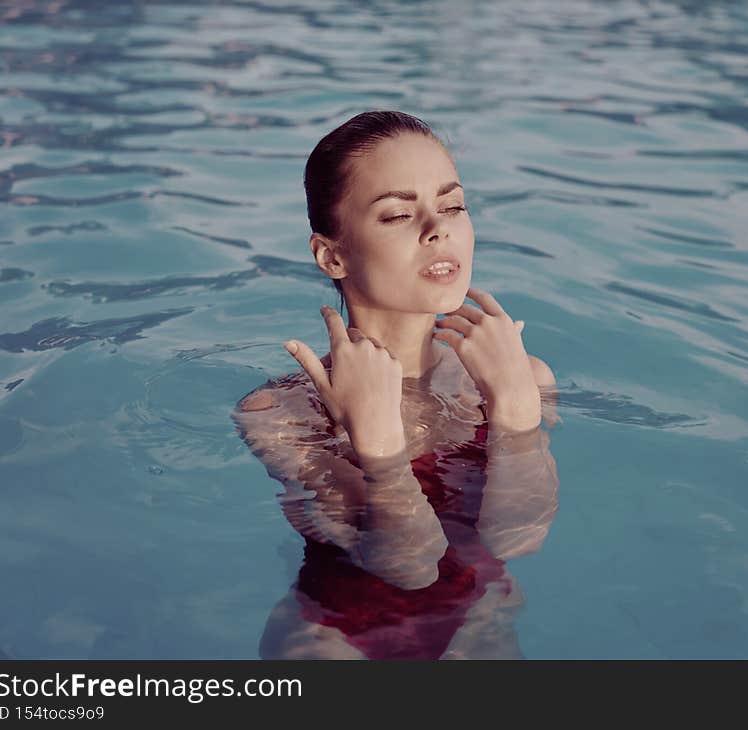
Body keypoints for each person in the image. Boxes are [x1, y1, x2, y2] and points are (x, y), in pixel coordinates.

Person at [232, 110, 561, 659]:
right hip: (334, 636)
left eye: (452, 205)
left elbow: (519, 539)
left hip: (480, 619)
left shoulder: (519, 379)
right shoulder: (284, 412)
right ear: (331, 255)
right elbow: (407, 565)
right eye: (398, 215)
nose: (438, 228)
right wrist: (379, 449)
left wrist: (517, 414)